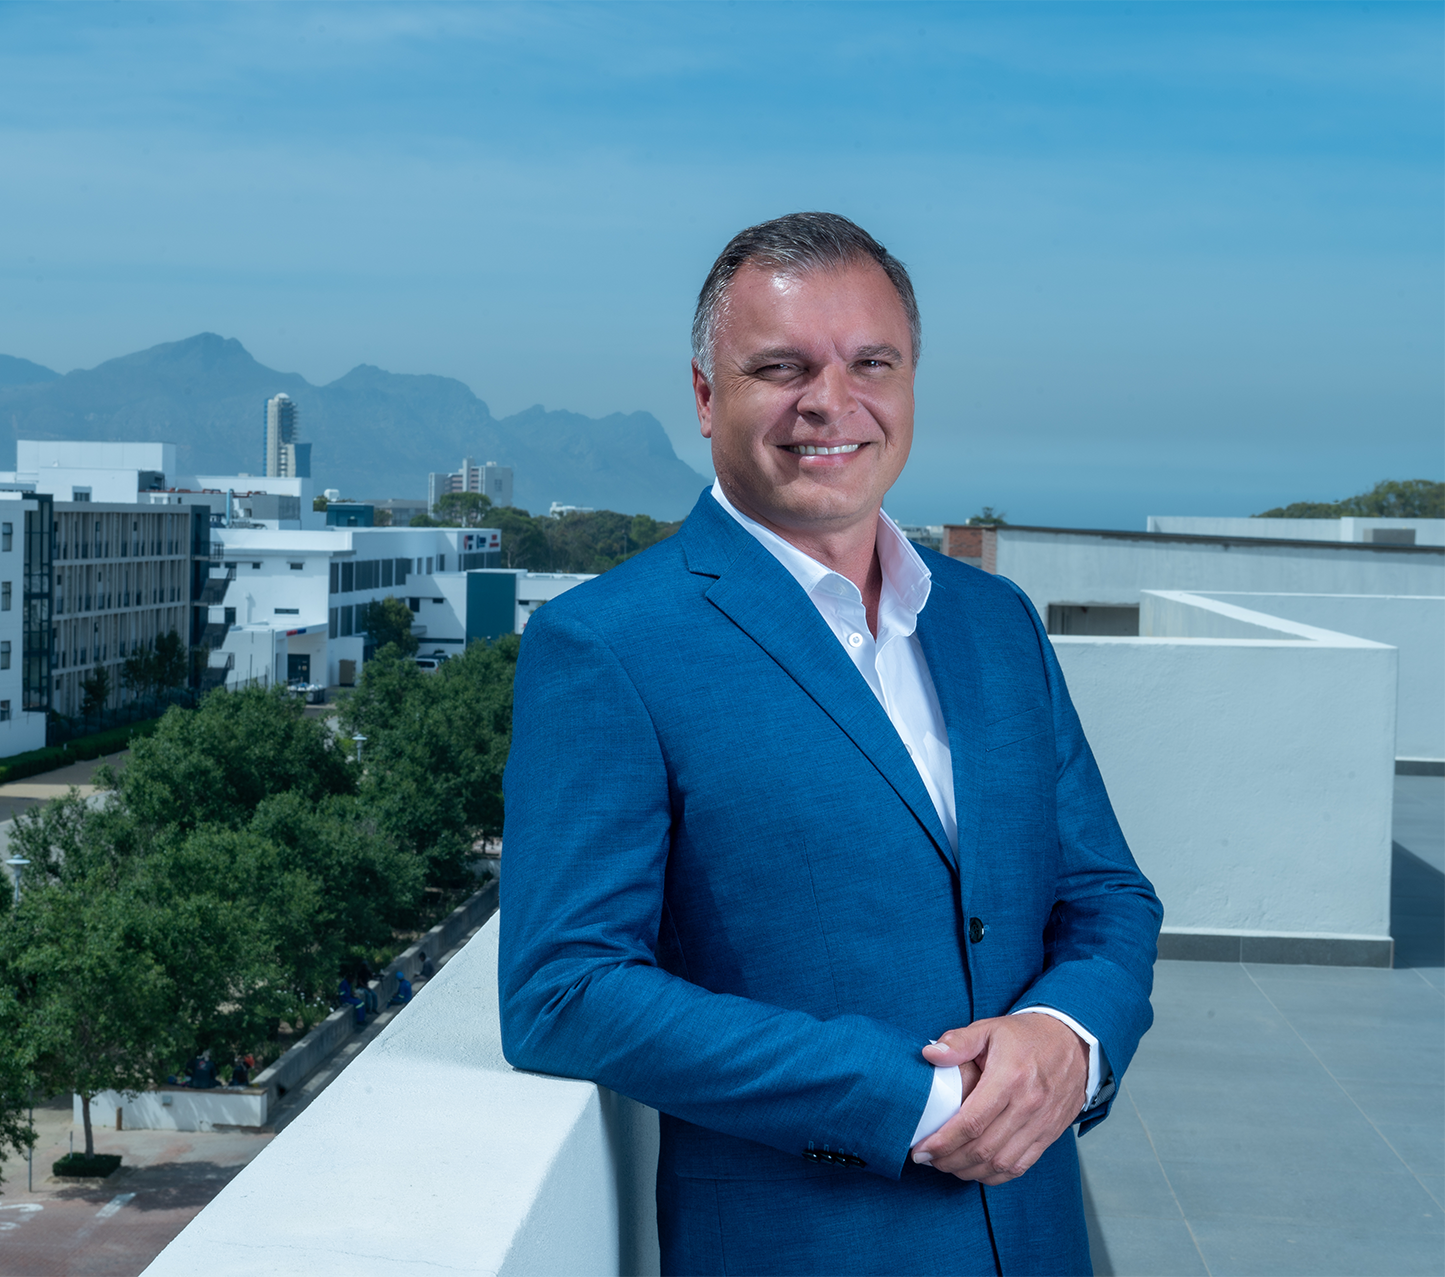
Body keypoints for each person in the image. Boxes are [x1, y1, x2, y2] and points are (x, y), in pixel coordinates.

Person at [497, 213, 1162, 1276]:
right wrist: (915, 1095)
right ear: (708, 395)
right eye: (781, 366)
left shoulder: (995, 623)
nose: (831, 403)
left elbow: (1108, 895)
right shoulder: (609, 644)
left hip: (1039, 1239)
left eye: (871, 364)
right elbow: (563, 987)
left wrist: (1065, 1034)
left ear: (908, 386)